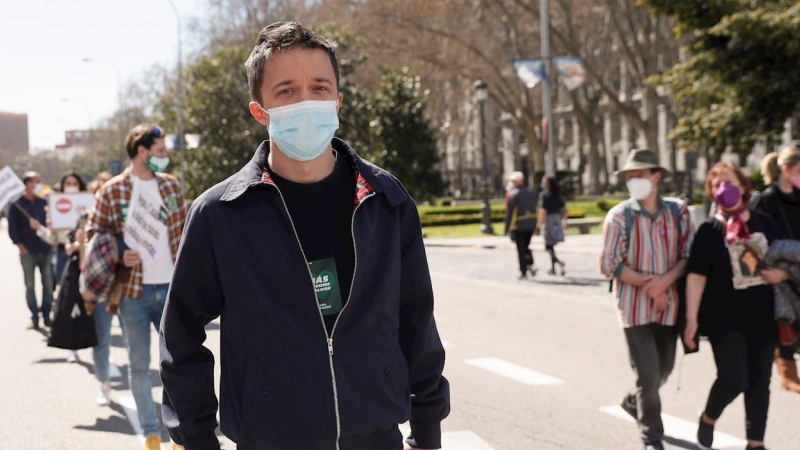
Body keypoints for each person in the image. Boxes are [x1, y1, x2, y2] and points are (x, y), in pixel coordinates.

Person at [159, 22, 450, 450]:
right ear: (260, 110)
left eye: (319, 87)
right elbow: (181, 335)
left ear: (338, 101)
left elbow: (416, 319)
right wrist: (199, 439)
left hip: (377, 437)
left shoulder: (386, 201)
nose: (306, 101)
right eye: (287, 91)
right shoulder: (220, 214)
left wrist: (427, 431)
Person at [91, 123, 186, 450]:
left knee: (177, 363)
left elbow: (184, 234)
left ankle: (177, 434)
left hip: (170, 288)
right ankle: (150, 433)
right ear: (142, 152)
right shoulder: (112, 190)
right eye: (160, 151)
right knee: (139, 365)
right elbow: (95, 233)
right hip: (132, 292)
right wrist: (118, 251)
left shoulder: (171, 187)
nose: (165, 157)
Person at [684, 162, 786, 450]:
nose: (722, 188)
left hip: (763, 317)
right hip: (722, 319)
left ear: (742, 186)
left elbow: (786, 260)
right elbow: (696, 277)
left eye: (727, 181)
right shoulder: (709, 230)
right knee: (733, 377)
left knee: (759, 382)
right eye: (716, 185)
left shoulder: (764, 223)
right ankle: (708, 417)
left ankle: (756, 443)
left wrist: (781, 274)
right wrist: (691, 320)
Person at [599, 149, 695, 450]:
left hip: (669, 308)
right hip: (634, 310)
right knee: (648, 374)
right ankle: (651, 437)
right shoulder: (619, 215)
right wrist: (648, 285)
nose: (633, 180)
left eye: (639, 174)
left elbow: (688, 255)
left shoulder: (678, 212)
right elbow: (609, 263)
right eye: (629, 176)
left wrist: (665, 282)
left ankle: (633, 401)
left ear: (656, 176)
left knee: (662, 372)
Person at [751, 146, 800, 393]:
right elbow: (757, 243)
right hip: (778, 270)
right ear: (786, 170)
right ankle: (787, 369)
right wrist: (782, 271)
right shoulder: (766, 200)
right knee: (786, 316)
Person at [8, 171, 54, 330]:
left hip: (46, 249)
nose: (38, 184)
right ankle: (34, 317)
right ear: (27, 184)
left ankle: (47, 315)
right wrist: (20, 245)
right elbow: (12, 229)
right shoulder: (16, 205)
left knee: (48, 284)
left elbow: (52, 224)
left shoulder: (43, 203)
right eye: (36, 181)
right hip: (28, 252)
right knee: (30, 285)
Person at [504, 171, 538, 279]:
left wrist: (507, 228)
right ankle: (529, 261)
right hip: (531, 223)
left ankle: (523, 270)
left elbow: (510, 213)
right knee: (526, 245)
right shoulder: (531, 192)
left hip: (518, 225)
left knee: (521, 248)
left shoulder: (513, 194)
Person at [537, 175, 567, 276]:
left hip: (548, 220)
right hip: (557, 219)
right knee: (550, 246)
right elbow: (563, 210)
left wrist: (539, 223)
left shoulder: (544, 195)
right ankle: (553, 268)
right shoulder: (557, 194)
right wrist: (565, 221)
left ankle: (559, 263)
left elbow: (543, 211)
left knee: (548, 245)